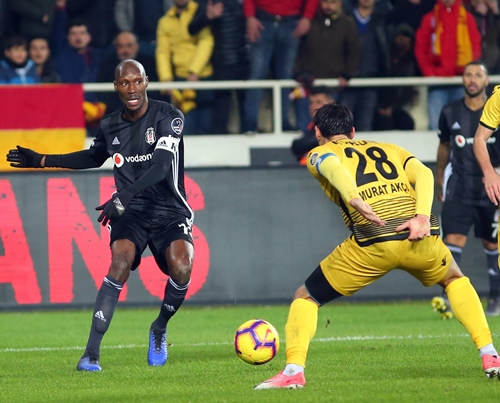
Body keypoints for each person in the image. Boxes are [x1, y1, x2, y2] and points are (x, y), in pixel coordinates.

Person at [254, 101, 500, 389]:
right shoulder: (389, 149)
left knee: (305, 296)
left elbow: (332, 166)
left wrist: (353, 196)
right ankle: (490, 354)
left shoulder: (319, 152)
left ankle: (293, 371)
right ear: (353, 131)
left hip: (375, 238)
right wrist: (422, 216)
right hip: (419, 235)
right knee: (455, 279)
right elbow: (424, 173)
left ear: (318, 132)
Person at [6, 59, 194, 372]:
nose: (132, 89)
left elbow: (161, 167)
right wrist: (40, 159)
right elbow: (93, 157)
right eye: (125, 83)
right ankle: (90, 354)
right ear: (116, 86)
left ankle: (159, 328)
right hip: (130, 213)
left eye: (137, 81)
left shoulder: (169, 116)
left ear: (146, 82)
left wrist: (125, 194)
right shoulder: (110, 125)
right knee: (119, 264)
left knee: (182, 268)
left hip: (169, 210)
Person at [434, 60, 500, 317]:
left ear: (486, 80)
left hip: (491, 187)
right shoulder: (449, 111)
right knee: (452, 240)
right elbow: (444, 145)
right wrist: (440, 175)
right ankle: (450, 297)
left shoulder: (495, 107)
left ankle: (495, 297)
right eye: (468, 75)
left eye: (477, 75)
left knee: (492, 243)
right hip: (460, 186)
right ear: (462, 79)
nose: (472, 79)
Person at [242, 0, 319, 133]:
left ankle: (283, 121)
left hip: (291, 23)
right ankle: (250, 123)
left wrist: (307, 17)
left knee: (286, 77)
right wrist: (250, 16)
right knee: (257, 74)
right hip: (262, 21)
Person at [414, 0, 482, 131]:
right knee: (436, 125)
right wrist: (429, 73)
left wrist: (468, 72)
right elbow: (421, 48)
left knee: (463, 124)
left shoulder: (467, 19)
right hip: (437, 82)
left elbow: (475, 46)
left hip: (461, 81)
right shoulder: (430, 19)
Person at [156, 0, 215, 135]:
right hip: (180, 80)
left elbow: (206, 42)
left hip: (204, 76)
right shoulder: (165, 21)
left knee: (207, 127)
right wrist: (166, 79)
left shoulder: (200, 12)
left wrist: (194, 71)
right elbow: (163, 52)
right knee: (185, 128)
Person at [96, 31, 161, 114]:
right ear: (115, 47)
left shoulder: (150, 64)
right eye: (121, 46)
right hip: (116, 112)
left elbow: (156, 93)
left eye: (129, 45)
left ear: (137, 46)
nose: (125, 50)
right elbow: (103, 94)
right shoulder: (106, 66)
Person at [291, 86, 334, 164]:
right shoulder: (312, 126)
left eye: (318, 102)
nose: (314, 106)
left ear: (331, 103)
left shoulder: (335, 125)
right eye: (311, 103)